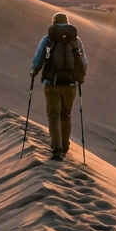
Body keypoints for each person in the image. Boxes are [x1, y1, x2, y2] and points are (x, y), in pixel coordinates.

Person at [30, 12, 87, 160]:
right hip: (70, 84)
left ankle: (56, 150)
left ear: (54, 23)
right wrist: (79, 77)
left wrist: (33, 72)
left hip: (51, 84)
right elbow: (84, 63)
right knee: (66, 115)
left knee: (53, 115)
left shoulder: (48, 39)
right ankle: (65, 147)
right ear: (67, 23)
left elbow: (38, 59)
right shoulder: (76, 40)